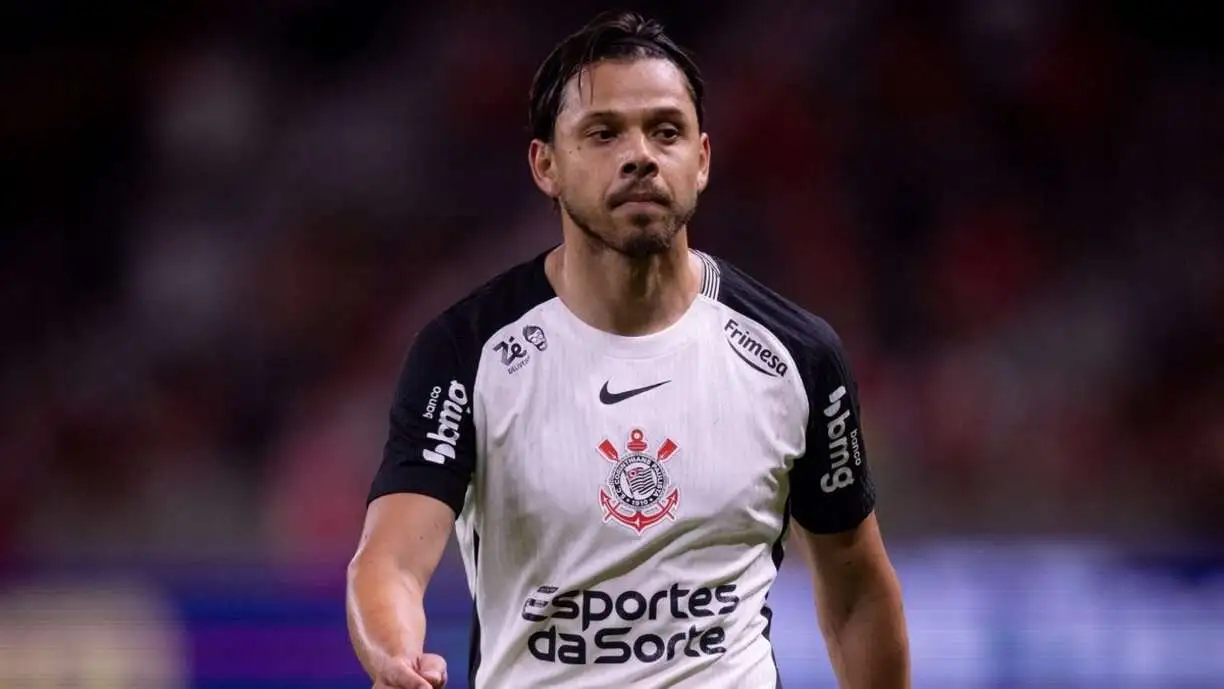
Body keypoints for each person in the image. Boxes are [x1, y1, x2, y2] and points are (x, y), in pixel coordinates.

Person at [346, 10, 910, 689]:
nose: (640, 154)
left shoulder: (798, 355)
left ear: (702, 160)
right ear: (546, 165)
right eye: (604, 133)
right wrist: (394, 653)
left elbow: (856, 587)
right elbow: (392, 560)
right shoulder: (467, 352)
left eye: (666, 131)